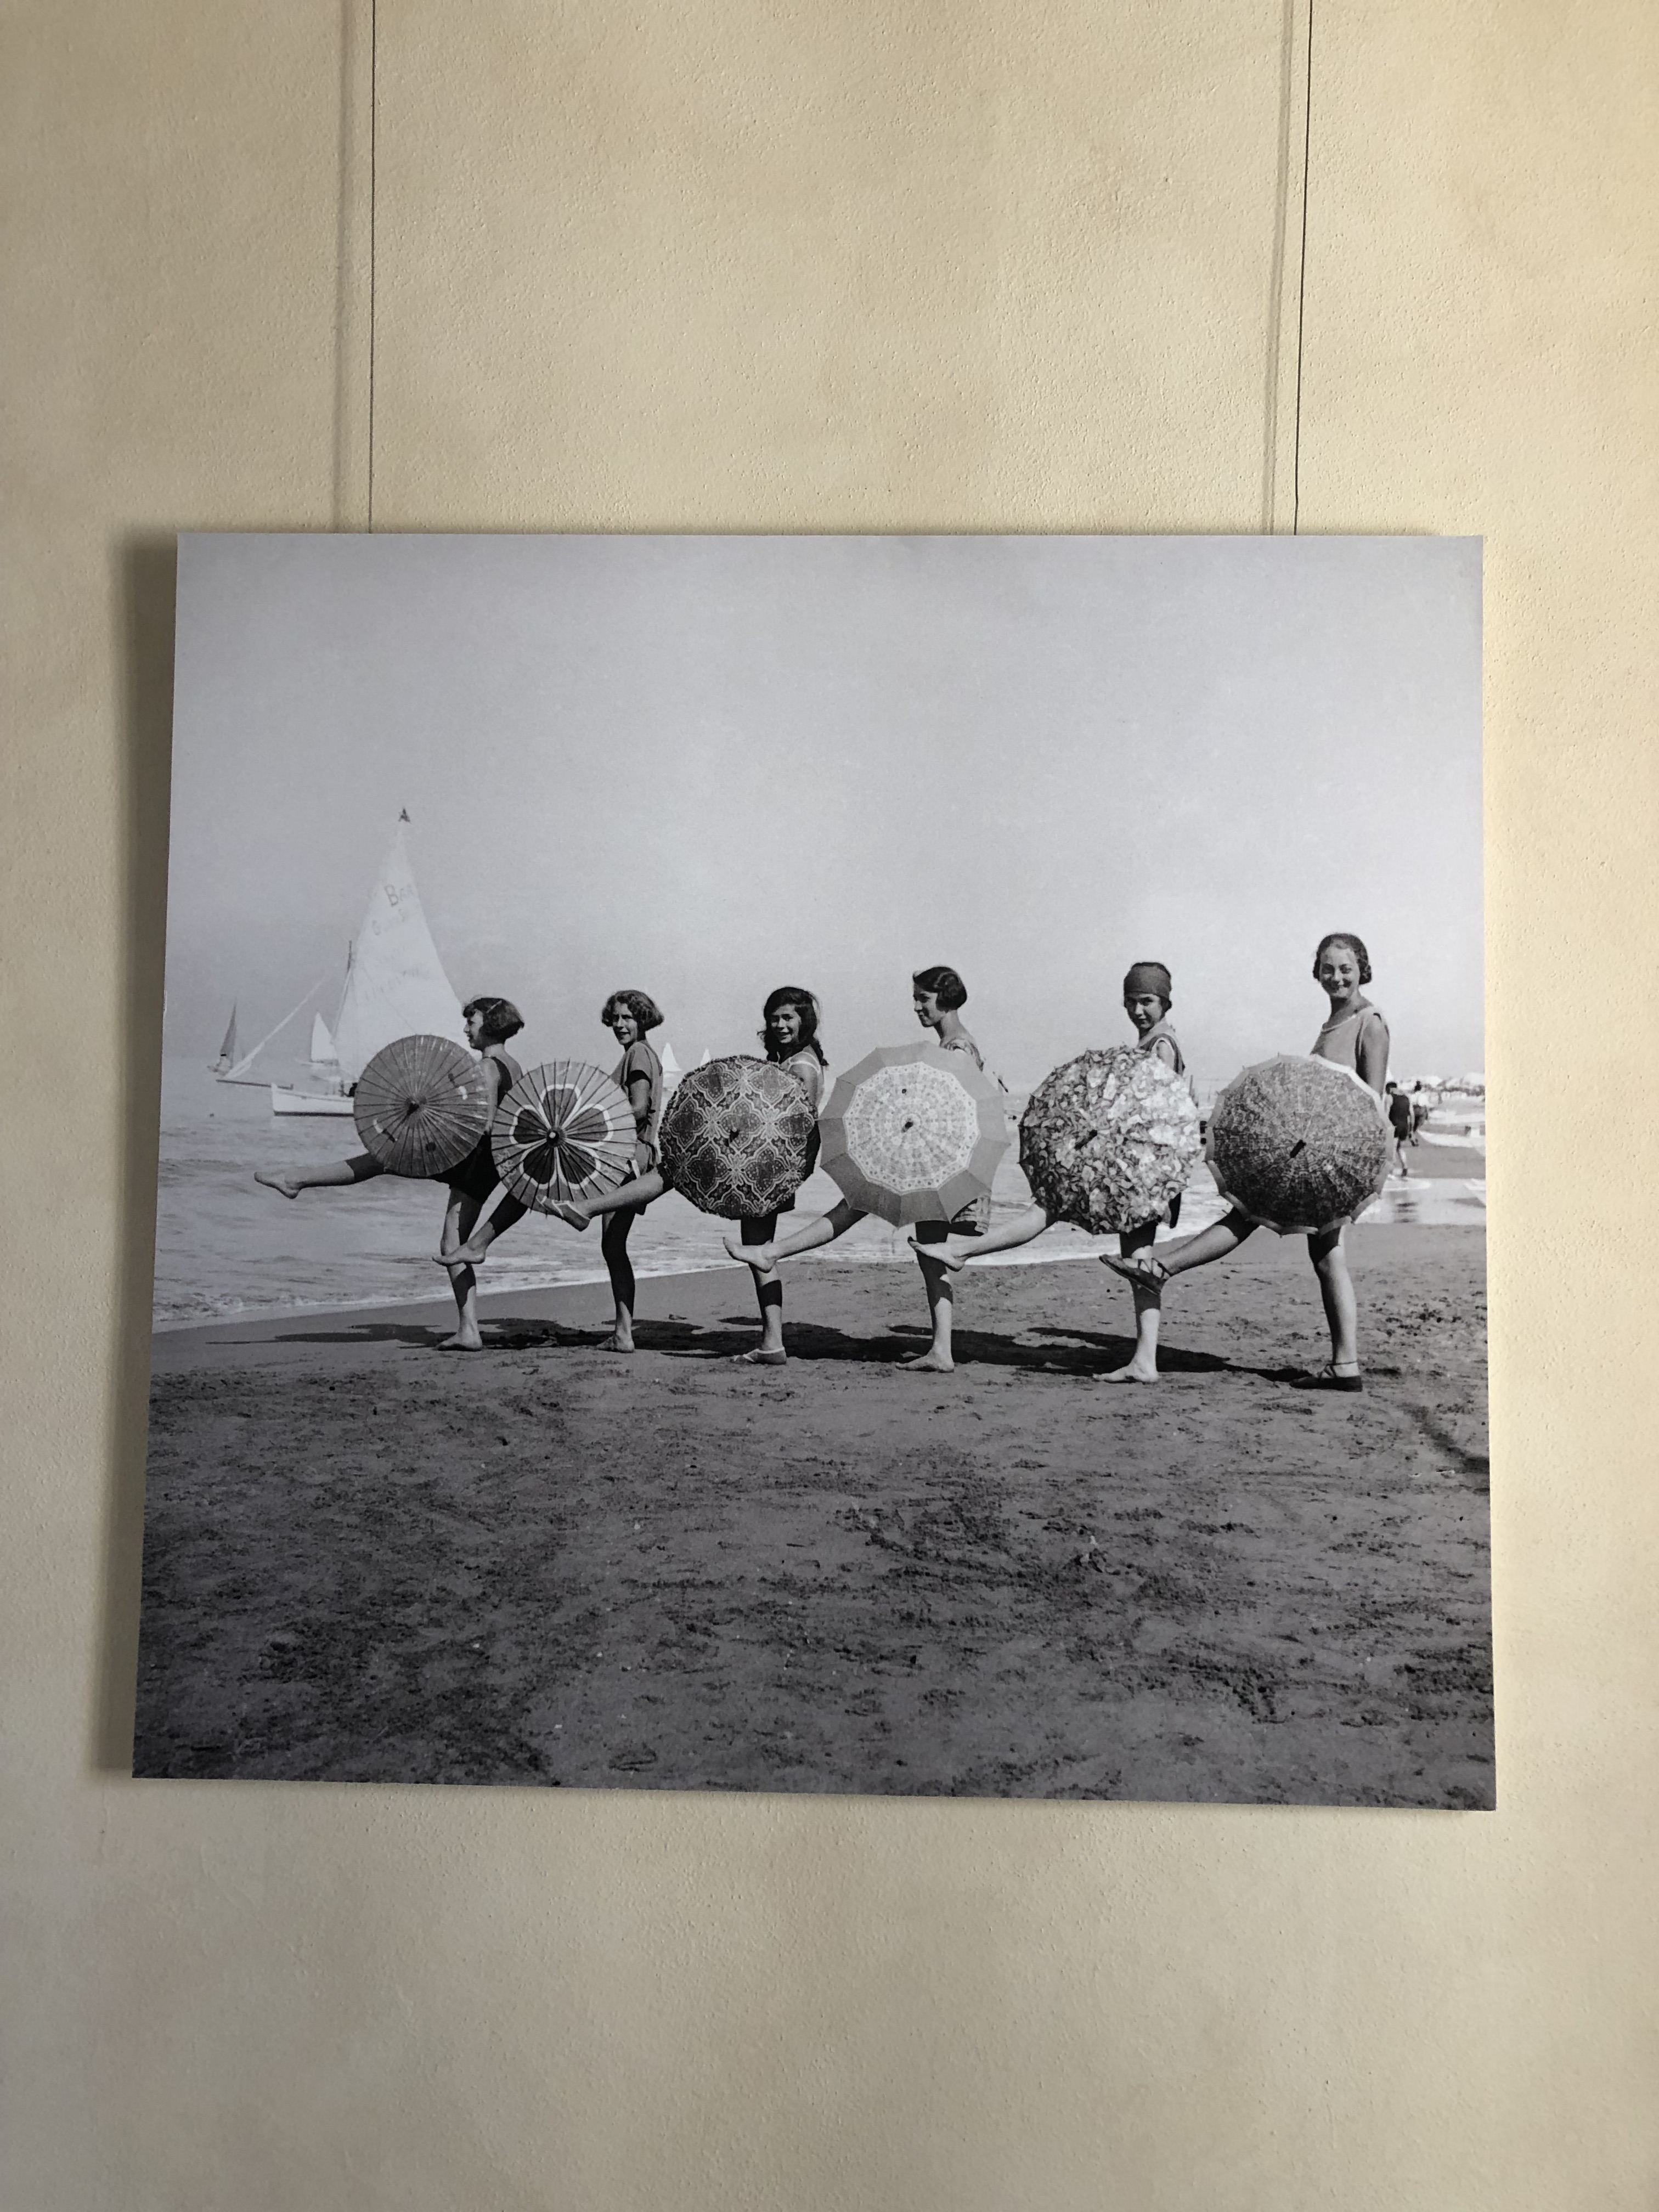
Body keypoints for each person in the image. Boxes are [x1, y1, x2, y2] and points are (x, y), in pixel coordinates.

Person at [1102, 932, 1390, 1391]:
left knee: (1253, 1211)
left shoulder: (1369, 1022)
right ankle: (1345, 1365)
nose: (1336, 977)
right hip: (1312, 1154)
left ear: (1362, 970)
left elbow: (1371, 1106)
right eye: (1327, 968)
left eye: (1345, 969)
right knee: (1320, 1252)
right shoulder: (1334, 1021)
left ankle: (1162, 1269)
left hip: (1333, 1159)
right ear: (1317, 971)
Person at [913, 961, 1192, 1384]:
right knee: (1137, 1263)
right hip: (1137, 1169)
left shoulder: (1161, 1046)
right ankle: (1145, 1360)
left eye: (1147, 1001)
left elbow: (1157, 1111)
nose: (1138, 1010)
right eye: (1132, 1001)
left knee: (1054, 1211)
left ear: (1165, 1001)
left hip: (1141, 1171)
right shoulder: (1154, 1041)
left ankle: (963, 1252)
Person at [727, 966, 1002, 1375]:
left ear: (945, 999)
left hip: (937, 1163)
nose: (916, 1007)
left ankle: (773, 1252)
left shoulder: (957, 1049)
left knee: (858, 1205)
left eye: (923, 998)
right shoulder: (954, 1045)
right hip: (937, 1161)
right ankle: (941, 1350)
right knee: (930, 1255)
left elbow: (950, 1106)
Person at [574, 986, 829, 1365]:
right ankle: (772, 1342)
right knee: (759, 1252)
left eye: (788, 1017)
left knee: (675, 1173)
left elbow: (797, 1127)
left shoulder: (801, 1066)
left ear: (804, 1020)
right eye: (774, 1018)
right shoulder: (792, 1060)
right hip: (762, 1168)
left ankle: (589, 1208)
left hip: (765, 1171)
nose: (780, 1025)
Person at [257, 995, 525, 1352]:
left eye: (471, 1023)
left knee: (381, 1161)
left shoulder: (488, 1067)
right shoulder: (513, 1065)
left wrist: (446, 1125)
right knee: (447, 1238)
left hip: (475, 1158)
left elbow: (487, 1123)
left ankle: (296, 1180)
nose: (466, 1029)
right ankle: (469, 1330)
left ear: (489, 1025)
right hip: (487, 1163)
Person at [1385, 1080, 1414, 1174]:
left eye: (1386, 1090)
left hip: (1394, 1126)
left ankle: (1391, 1172)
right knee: (1400, 1148)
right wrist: (1411, 1130)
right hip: (1404, 1126)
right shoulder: (1406, 1098)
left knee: (1392, 1149)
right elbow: (1412, 1115)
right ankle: (1405, 1167)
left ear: (1390, 1089)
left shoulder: (1390, 1097)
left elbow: (1386, 1114)